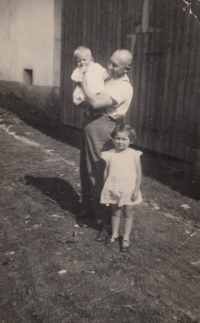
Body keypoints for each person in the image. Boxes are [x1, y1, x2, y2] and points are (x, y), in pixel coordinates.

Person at [79, 49, 134, 241]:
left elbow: (94, 102)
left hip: (102, 127)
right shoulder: (110, 79)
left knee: (97, 172)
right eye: (109, 62)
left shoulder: (123, 86)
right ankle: (88, 209)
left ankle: (105, 221)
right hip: (92, 125)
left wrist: (81, 82)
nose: (109, 67)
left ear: (127, 68)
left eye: (115, 65)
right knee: (86, 170)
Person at [100, 123, 142, 252]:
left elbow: (139, 173)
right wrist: (106, 187)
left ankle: (126, 238)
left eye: (124, 139)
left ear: (130, 141)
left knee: (127, 213)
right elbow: (106, 172)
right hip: (113, 188)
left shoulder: (134, 154)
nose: (120, 141)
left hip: (129, 189)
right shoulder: (109, 154)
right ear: (113, 139)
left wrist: (136, 189)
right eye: (117, 138)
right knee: (115, 212)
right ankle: (114, 234)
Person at [71, 46, 108, 117]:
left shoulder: (96, 66)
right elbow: (74, 78)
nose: (82, 62)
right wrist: (81, 71)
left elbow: (103, 72)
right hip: (84, 94)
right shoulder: (77, 70)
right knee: (85, 104)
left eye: (84, 60)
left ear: (91, 60)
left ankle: (96, 114)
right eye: (79, 61)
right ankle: (89, 112)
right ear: (75, 62)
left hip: (97, 91)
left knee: (98, 103)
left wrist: (106, 78)